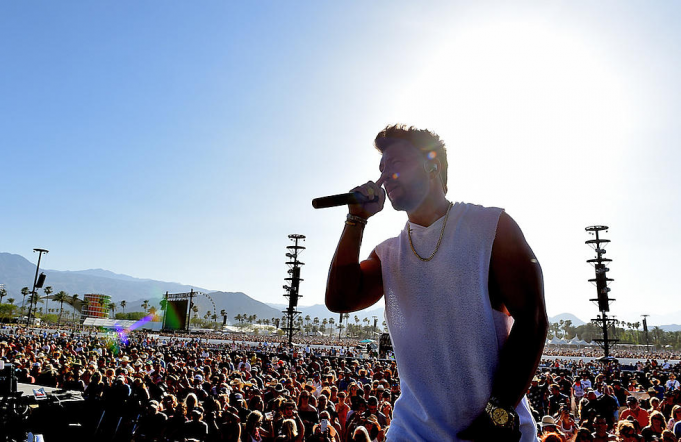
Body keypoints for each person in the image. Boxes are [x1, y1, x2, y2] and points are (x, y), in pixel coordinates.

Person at [325, 124, 548, 441]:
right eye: (381, 168)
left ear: (433, 165)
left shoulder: (491, 226)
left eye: (396, 163)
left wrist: (498, 412)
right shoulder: (388, 255)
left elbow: (532, 318)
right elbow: (341, 300)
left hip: (492, 433)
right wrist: (356, 218)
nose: (385, 176)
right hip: (411, 431)